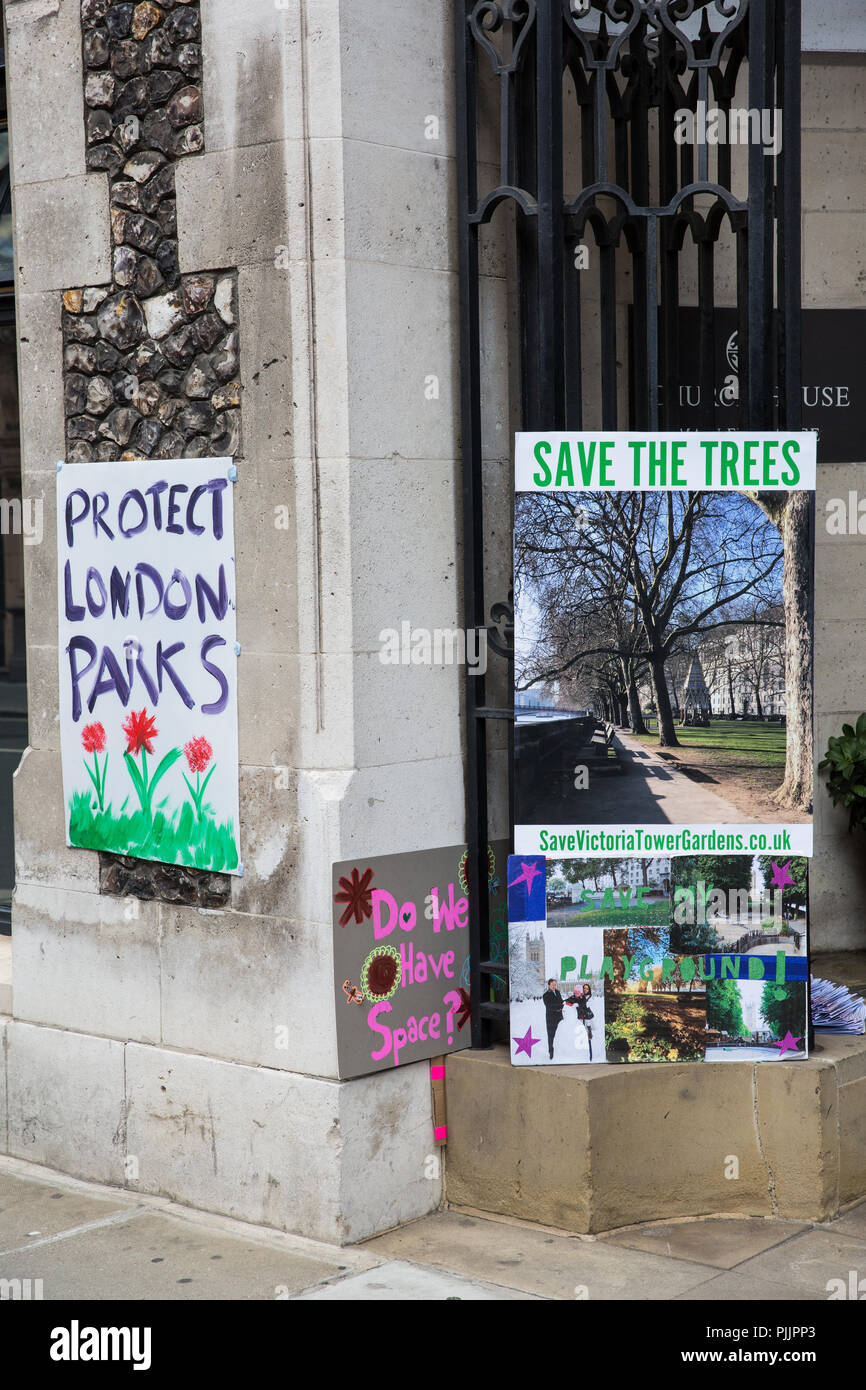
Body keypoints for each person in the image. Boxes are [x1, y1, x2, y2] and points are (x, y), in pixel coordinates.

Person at [566, 983, 595, 1061]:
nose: (585, 990)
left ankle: (589, 1032)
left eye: (587, 989)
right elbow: (568, 1001)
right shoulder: (576, 997)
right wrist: (572, 1005)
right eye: (584, 988)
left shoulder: (586, 998)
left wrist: (578, 1005)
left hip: (586, 1017)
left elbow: (585, 1005)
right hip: (579, 1018)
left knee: (587, 1033)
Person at [542, 978, 565, 1060]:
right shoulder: (545, 995)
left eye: (555, 984)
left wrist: (564, 1004)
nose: (554, 986)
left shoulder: (558, 992)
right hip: (551, 1019)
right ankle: (551, 1053)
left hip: (559, 1017)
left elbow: (561, 1002)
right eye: (553, 985)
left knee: (560, 1034)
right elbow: (549, 1006)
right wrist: (559, 1007)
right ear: (549, 985)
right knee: (551, 1036)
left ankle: (559, 1051)